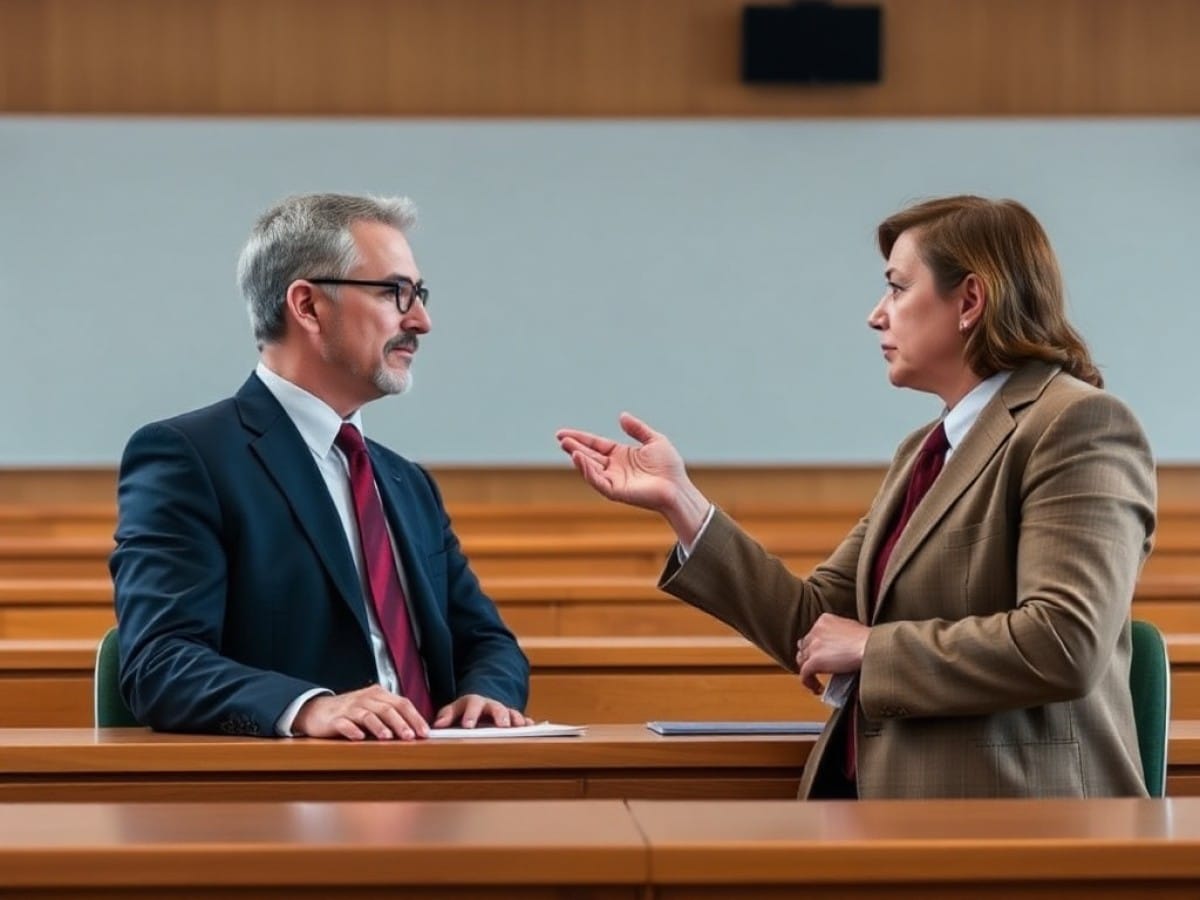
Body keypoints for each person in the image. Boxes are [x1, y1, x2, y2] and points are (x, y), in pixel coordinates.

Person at [556, 195, 1156, 798]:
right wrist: (681, 502)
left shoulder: (1078, 424)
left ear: (970, 300)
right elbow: (813, 622)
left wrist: (872, 647)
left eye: (897, 288)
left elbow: (1064, 641)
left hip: (1015, 818)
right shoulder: (925, 450)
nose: (876, 315)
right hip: (890, 805)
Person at [111, 192, 530, 740]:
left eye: (419, 294)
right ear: (307, 306)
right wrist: (309, 708)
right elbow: (160, 662)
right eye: (395, 293)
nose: (421, 320)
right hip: (300, 780)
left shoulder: (407, 482)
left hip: (440, 767)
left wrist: (488, 694)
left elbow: (487, 641)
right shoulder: (189, 457)